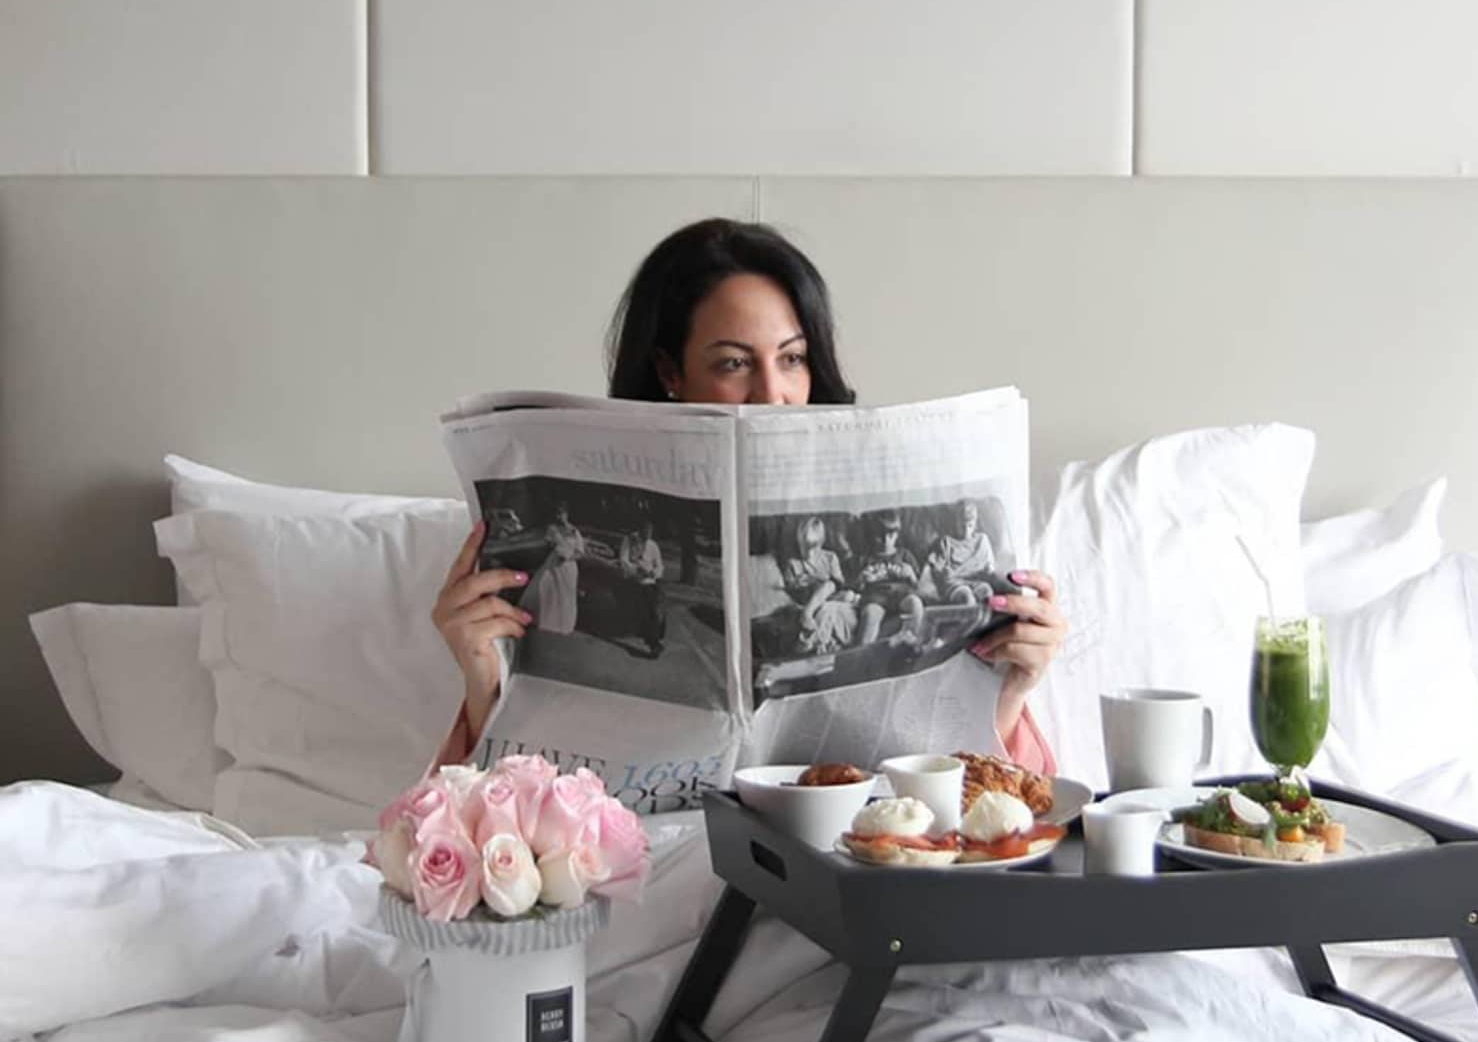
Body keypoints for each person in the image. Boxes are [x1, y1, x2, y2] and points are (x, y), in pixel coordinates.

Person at [430, 217, 1066, 770]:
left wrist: (1010, 690)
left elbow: (996, 805)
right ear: (671, 371)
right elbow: (491, 811)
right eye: (734, 363)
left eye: (792, 358)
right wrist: (484, 681)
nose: (772, 393)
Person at [782, 515, 859, 655]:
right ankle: (816, 640)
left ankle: (808, 631)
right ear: (799, 541)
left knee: (837, 590)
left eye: (814, 547)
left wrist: (819, 579)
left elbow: (839, 583)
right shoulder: (793, 563)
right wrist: (799, 584)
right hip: (810, 599)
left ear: (822, 542)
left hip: (832, 595)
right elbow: (789, 589)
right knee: (828, 608)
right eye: (805, 547)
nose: (810, 553)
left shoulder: (830, 557)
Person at [853, 510, 925, 647]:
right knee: (869, 615)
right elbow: (857, 588)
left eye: (891, 535)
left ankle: (909, 642)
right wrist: (862, 579)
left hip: (902, 595)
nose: (886, 541)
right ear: (873, 535)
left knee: (915, 603)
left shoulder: (905, 555)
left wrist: (911, 575)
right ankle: (862, 653)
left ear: (897, 535)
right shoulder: (866, 558)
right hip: (875, 598)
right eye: (880, 536)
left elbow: (919, 586)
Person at [520, 504, 585, 635]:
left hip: (568, 566)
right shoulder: (553, 529)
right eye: (557, 514)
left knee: (565, 594)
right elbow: (547, 544)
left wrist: (568, 557)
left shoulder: (574, 531)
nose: (559, 517)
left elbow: (580, 552)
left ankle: (563, 624)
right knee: (545, 586)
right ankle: (544, 620)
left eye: (562, 514)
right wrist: (554, 547)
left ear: (567, 514)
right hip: (554, 563)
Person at [924, 499, 999, 606]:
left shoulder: (982, 540)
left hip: (976, 581)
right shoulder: (946, 541)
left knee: (987, 591)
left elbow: (990, 566)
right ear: (956, 523)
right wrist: (942, 572)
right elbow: (935, 569)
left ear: (975, 525)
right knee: (966, 597)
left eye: (970, 526)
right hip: (955, 584)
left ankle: (983, 616)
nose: (966, 531)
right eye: (962, 526)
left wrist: (989, 569)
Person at [618, 520, 666, 656]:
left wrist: (654, 573)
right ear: (640, 531)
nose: (647, 537)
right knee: (648, 606)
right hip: (633, 579)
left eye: (649, 534)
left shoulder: (653, 545)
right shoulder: (629, 540)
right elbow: (623, 560)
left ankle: (654, 639)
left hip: (649, 580)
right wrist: (636, 569)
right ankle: (654, 643)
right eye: (645, 534)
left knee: (656, 606)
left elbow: (659, 565)